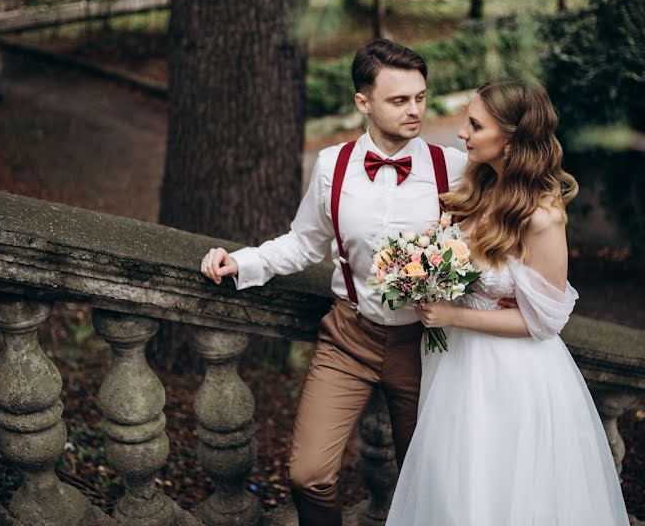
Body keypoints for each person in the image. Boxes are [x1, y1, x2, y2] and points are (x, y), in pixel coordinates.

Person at [200, 39, 468, 526]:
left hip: (426, 346)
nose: (415, 111)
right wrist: (239, 262)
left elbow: (503, 227)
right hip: (350, 337)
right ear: (362, 102)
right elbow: (303, 244)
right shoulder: (333, 167)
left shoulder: (452, 168)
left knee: (428, 478)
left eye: (421, 97)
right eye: (399, 100)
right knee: (308, 474)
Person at [385, 78, 630, 525]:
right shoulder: (477, 188)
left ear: (511, 141)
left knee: (504, 495)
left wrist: (452, 313)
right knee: (454, 490)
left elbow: (545, 322)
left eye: (475, 126)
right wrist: (421, 276)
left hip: (511, 377)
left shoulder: (542, 217)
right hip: (456, 367)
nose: (462, 133)